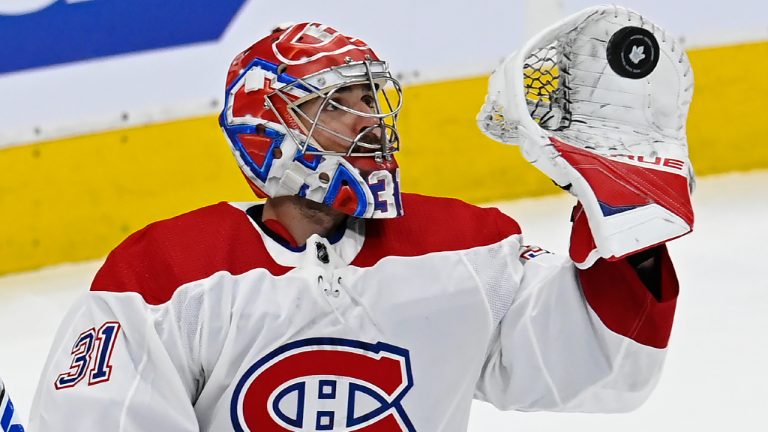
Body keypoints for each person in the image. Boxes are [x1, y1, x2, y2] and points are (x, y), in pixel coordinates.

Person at [30, 20, 683, 431]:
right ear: (266, 130)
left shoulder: (467, 247)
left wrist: (626, 215)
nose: (369, 119)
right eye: (334, 104)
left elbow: (602, 368)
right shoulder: (163, 274)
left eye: (371, 98)